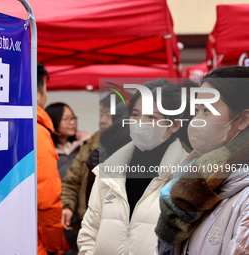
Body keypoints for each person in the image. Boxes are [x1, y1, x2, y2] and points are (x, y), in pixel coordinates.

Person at [77, 78, 190, 255]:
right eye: (135, 115)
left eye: (151, 117)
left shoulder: (186, 175)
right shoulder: (109, 170)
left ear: (174, 125)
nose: (139, 123)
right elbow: (89, 232)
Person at [155, 66, 249, 255]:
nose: (196, 120)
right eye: (196, 110)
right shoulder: (191, 177)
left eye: (207, 110)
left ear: (242, 120)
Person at [36, 62, 66, 255]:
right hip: (33, 241)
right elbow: (47, 200)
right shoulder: (36, 131)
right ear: (38, 92)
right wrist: (56, 246)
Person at [45, 102, 91, 180]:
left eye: (73, 118)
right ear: (53, 121)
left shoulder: (85, 143)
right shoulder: (46, 149)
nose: (72, 123)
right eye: (66, 119)